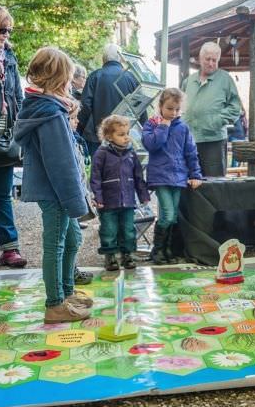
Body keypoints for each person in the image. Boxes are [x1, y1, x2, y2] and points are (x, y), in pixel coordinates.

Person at [14, 47, 92, 323]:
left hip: (58, 190)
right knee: (56, 243)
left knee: (73, 238)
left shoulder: (49, 109)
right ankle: (55, 303)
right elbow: (61, 163)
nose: (71, 84)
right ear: (60, 80)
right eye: (68, 78)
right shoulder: (50, 114)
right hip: (57, 192)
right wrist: (74, 198)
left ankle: (66, 291)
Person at [142, 88, 203, 265]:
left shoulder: (183, 128)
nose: (173, 113)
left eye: (177, 109)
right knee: (167, 214)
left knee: (174, 215)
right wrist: (163, 126)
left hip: (178, 176)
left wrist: (195, 174)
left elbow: (191, 152)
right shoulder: (151, 124)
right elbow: (152, 145)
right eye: (169, 108)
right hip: (160, 176)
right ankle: (157, 250)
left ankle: (167, 250)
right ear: (160, 106)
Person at [0, 4, 27, 268]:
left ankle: (9, 249)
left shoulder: (10, 58)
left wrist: (20, 126)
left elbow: (18, 96)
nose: (6, 35)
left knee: (2, 194)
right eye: (3, 29)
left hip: (4, 137)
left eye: (9, 30)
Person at [90, 114, 150, 271]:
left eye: (127, 133)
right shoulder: (101, 153)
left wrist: (143, 194)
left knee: (129, 229)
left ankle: (127, 254)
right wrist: (98, 197)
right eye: (121, 134)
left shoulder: (131, 153)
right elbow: (95, 177)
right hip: (108, 201)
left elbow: (138, 176)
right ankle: (110, 256)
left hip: (128, 200)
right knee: (109, 229)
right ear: (109, 136)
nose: (126, 138)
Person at [181, 41, 241, 177]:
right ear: (200, 59)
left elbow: (235, 108)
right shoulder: (188, 81)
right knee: (190, 181)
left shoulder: (225, 79)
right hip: (190, 140)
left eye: (215, 60)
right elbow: (181, 108)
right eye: (208, 59)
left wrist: (216, 121)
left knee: (215, 183)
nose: (211, 63)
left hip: (214, 141)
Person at [78, 44, 138, 156]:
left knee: (100, 170)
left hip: (99, 137)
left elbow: (85, 106)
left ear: (103, 59)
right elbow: (140, 106)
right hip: (124, 136)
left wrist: (79, 129)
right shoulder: (132, 78)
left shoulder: (95, 76)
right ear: (121, 58)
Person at [68, 102, 94, 284]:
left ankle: (71, 272)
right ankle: (68, 275)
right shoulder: (66, 141)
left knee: (74, 237)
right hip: (67, 196)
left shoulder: (75, 139)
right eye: (73, 118)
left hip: (75, 193)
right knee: (69, 238)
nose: (77, 122)